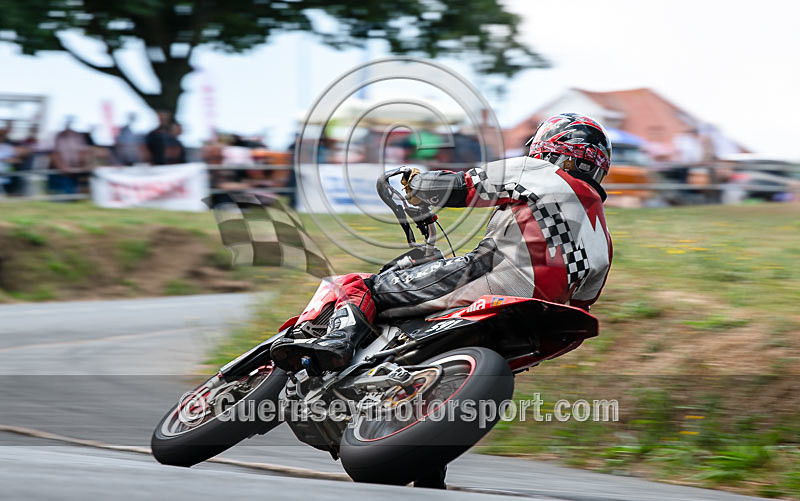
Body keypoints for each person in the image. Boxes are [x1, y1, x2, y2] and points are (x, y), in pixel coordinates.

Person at [271, 112, 614, 375]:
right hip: (539, 324)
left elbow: (462, 187)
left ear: (549, 145)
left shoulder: (540, 173)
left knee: (359, 286)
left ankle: (337, 342)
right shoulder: (605, 239)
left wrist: (415, 183)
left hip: (488, 276)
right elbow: (583, 305)